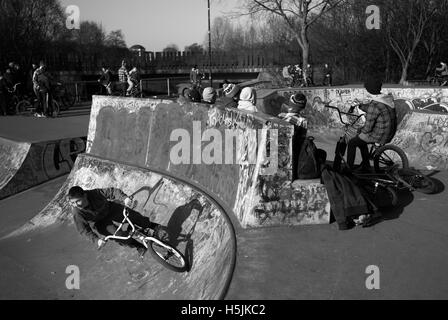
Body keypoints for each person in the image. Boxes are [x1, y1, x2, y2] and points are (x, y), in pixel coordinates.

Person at [67, 186, 162, 258]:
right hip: (99, 222)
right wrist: (97, 240)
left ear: (85, 195)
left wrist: (124, 198)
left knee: (132, 215)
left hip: (109, 209)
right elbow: (83, 230)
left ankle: (152, 225)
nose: (75, 205)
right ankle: (138, 246)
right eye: (73, 203)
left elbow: (111, 192)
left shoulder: (94, 193)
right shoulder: (77, 211)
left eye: (78, 201)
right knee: (118, 235)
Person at [346, 77, 396, 172]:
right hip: (389, 132)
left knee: (352, 142)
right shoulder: (386, 99)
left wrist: (361, 130)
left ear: (369, 89)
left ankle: (349, 169)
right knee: (361, 140)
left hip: (380, 134)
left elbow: (368, 128)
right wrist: (360, 106)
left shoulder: (375, 104)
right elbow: (375, 110)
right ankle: (366, 165)